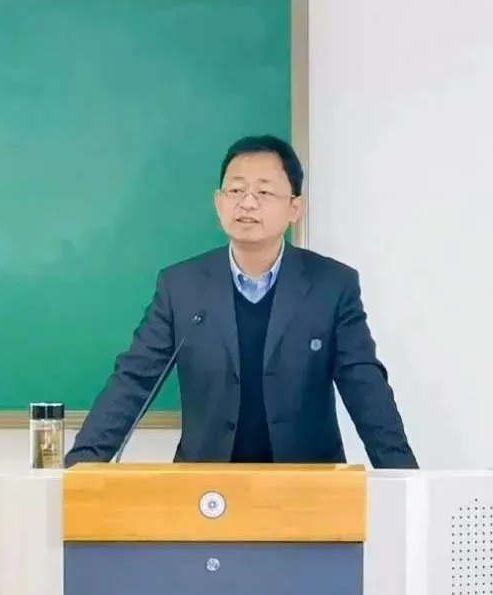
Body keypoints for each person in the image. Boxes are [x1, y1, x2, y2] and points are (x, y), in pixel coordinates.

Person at [63, 135, 418, 469]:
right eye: (236, 190)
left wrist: (404, 479)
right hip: (205, 488)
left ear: (295, 207)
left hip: (306, 487)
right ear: (219, 202)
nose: (247, 202)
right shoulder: (181, 286)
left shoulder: (332, 285)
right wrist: (79, 467)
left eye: (264, 191)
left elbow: (366, 388)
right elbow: (132, 381)